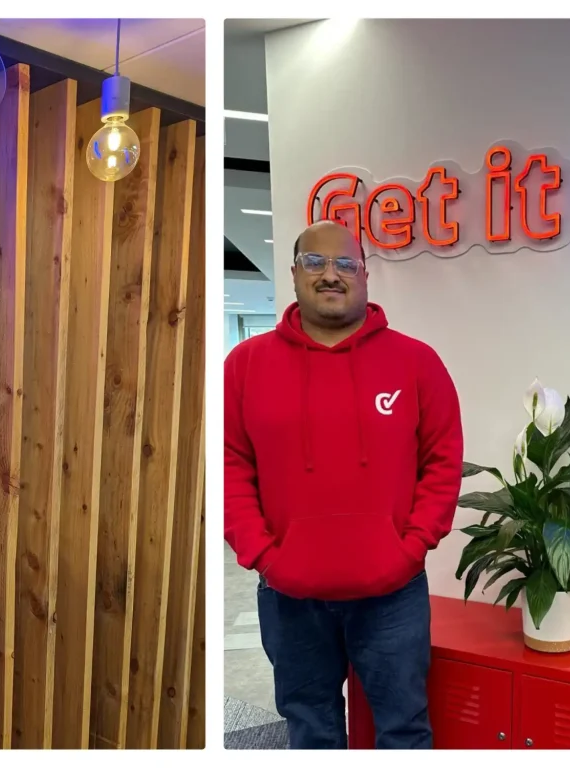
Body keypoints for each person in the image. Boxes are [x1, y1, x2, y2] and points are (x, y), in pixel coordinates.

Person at [224, 220, 464, 749]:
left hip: (392, 593)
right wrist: (265, 556)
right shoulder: (244, 366)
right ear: (293, 273)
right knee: (311, 729)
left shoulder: (416, 362)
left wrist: (411, 548)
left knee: (403, 727)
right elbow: (228, 467)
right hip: (288, 593)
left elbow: (443, 462)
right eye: (315, 262)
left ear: (365, 275)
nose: (330, 274)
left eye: (345, 264)